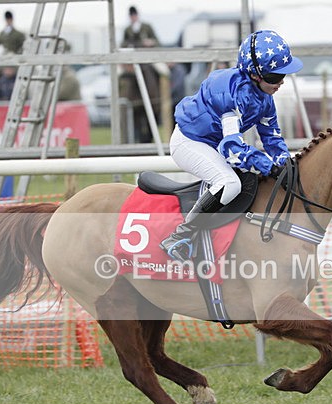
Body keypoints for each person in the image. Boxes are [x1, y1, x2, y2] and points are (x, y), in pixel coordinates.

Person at [159, 30, 303, 261]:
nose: (282, 82)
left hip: (214, 143)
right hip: (190, 142)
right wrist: (268, 165)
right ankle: (180, 236)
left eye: (283, 76)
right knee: (229, 183)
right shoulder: (230, 92)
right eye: (275, 77)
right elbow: (232, 149)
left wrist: (285, 164)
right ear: (256, 75)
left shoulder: (265, 98)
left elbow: (272, 138)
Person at [120, 6, 161, 143]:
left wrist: (150, 43)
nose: (133, 17)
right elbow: (123, 43)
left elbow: (157, 41)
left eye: (134, 15)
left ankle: (163, 93)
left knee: (162, 71)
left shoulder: (146, 27)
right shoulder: (127, 29)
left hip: (148, 60)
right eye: (131, 15)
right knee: (120, 74)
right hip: (132, 60)